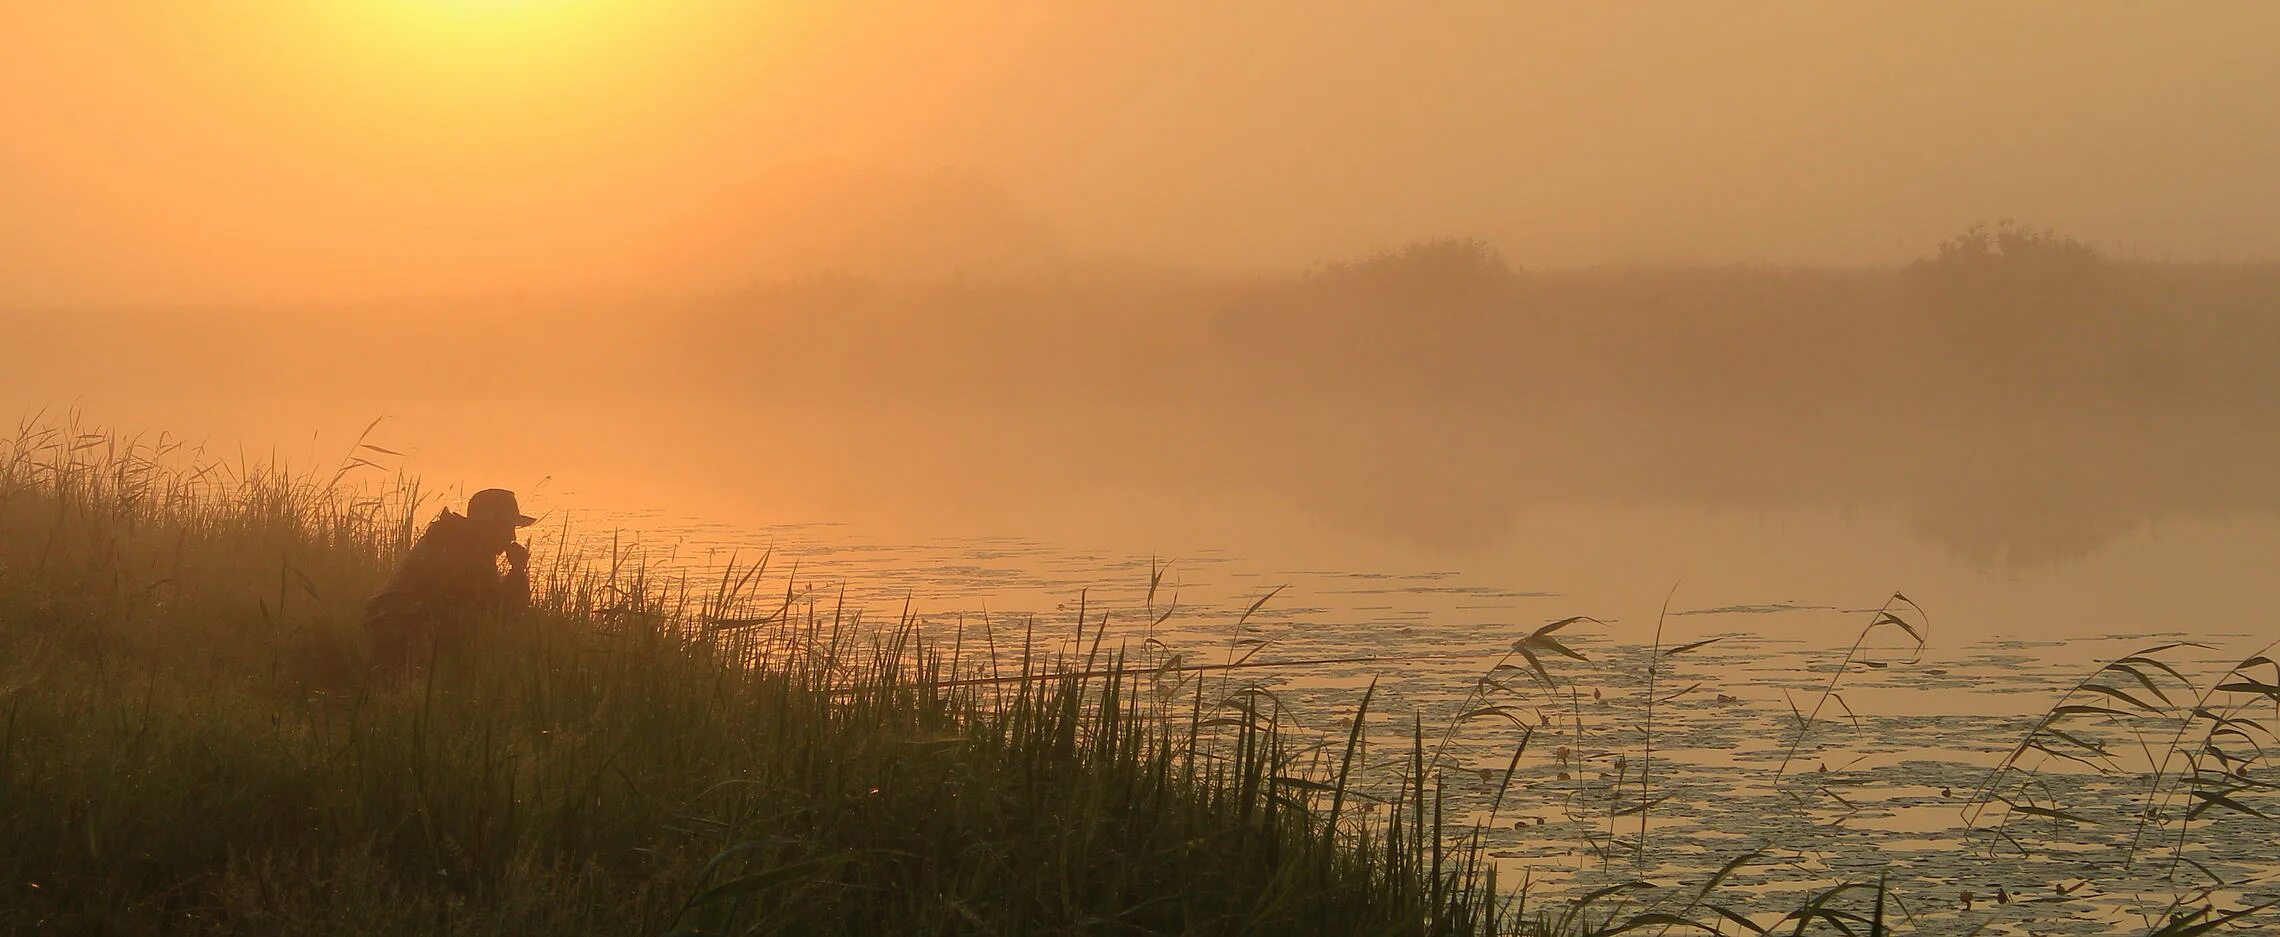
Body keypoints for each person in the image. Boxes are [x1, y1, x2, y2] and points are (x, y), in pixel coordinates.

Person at [363, 488, 535, 666]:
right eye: (508, 528)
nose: (512, 536)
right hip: (408, 638)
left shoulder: (449, 537)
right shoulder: (470, 555)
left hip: (387, 628)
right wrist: (518, 569)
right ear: (489, 526)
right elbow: (505, 614)